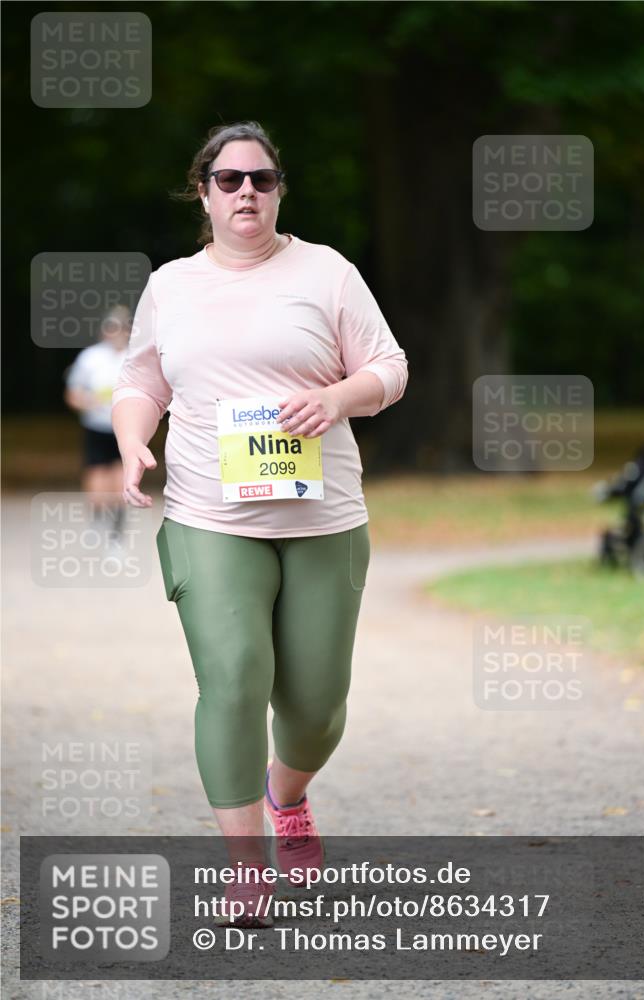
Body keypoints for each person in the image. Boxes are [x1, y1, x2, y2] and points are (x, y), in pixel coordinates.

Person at [111, 120, 408, 927]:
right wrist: (135, 441)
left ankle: (289, 795)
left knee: (314, 707)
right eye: (231, 179)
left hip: (323, 519)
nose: (248, 191)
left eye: (263, 179)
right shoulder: (172, 284)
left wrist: (337, 398)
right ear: (202, 192)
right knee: (234, 678)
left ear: (279, 191)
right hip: (211, 515)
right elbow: (141, 378)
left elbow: (389, 366)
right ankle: (247, 869)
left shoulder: (326, 272)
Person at [64, 304, 131, 541]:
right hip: (96, 426)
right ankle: (98, 516)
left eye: (122, 327)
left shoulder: (134, 356)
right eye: (112, 327)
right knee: (96, 476)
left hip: (124, 427)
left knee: (121, 477)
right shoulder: (90, 357)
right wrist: (87, 402)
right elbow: (72, 394)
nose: (116, 332)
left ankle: (117, 528)